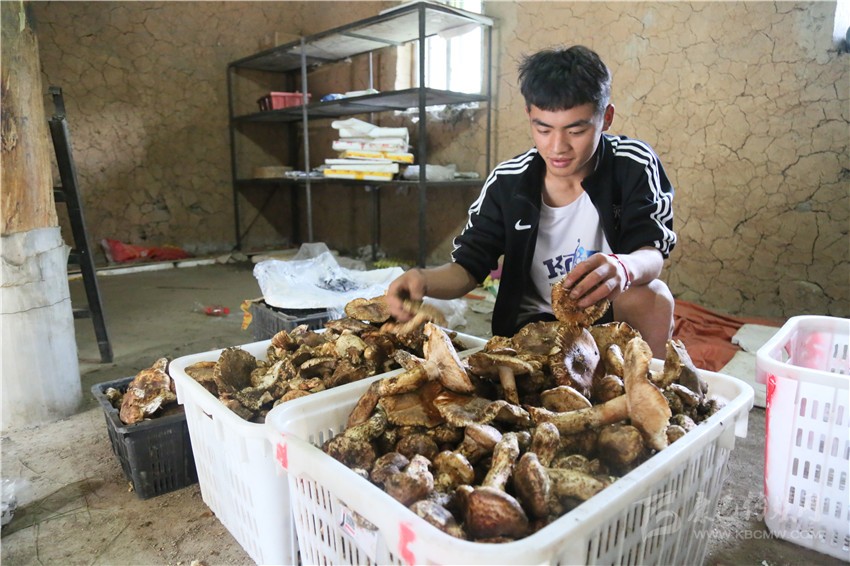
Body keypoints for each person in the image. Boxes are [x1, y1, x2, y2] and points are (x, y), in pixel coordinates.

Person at [386, 45, 676, 358]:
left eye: (576, 130)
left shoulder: (632, 163)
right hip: (529, 330)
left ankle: (646, 385)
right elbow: (468, 268)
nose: (558, 147)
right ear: (529, 116)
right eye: (543, 128)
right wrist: (422, 279)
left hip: (605, 324)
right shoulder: (508, 181)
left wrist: (623, 267)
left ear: (606, 118)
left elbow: (651, 252)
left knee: (653, 296)